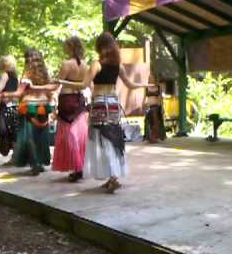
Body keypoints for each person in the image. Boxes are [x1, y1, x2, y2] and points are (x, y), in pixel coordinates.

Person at [60, 32, 152, 193]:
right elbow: (130, 84)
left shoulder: (97, 64)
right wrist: (144, 85)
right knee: (113, 139)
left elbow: (83, 85)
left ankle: (113, 177)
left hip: (100, 104)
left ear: (99, 46)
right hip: (114, 104)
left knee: (102, 140)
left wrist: (61, 82)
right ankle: (112, 176)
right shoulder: (118, 65)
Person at [0, 49, 58, 175]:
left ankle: (35, 163)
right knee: (41, 137)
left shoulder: (26, 76)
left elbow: (19, 93)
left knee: (29, 137)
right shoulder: (45, 75)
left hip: (29, 107)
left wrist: (4, 94)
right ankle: (40, 163)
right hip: (43, 107)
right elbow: (52, 88)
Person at [52, 36, 89, 182]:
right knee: (79, 134)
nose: (64, 48)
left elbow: (57, 85)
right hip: (79, 100)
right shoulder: (85, 65)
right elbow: (85, 84)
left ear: (71, 47)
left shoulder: (66, 64)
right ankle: (80, 166)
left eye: (66, 46)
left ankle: (76, 167)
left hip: (66, 99)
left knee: (68, 135)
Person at [143, 74, 166, 143]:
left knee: (155, 118)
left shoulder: (158, 87)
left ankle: (156, 136)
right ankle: (150, 137)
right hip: (149, 106)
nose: (150, 79)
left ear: (154, 79)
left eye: (152, 78)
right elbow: (144, 98)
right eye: (149, 78)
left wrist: (162, 107)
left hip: (156, 106)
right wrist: (143, 106)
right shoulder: (146, 87)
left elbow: (161, 98)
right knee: (148, 120)